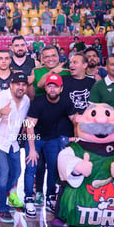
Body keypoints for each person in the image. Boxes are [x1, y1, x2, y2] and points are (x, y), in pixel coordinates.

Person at [24, 74, 75, 218]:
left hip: (53, 138)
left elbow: (75, 120)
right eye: (50, 86)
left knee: (53, 168)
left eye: (55, 86)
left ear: (61, 89)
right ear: (45, 88)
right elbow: (29, 126)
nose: (52, 89)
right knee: (31, 166)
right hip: (36, 137)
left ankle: (51, 197)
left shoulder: (65, 102)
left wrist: (78, 137)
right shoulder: (38, 102)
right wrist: (32, 149)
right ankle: (29, 199)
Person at [0, 72, 30, 222]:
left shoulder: (26, 101)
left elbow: (21, 120)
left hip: (11, 141)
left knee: (16, 171)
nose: (20, 87)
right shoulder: (1, 97)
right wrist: (0, 112)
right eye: (18, 84)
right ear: (11, 85)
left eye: (23, 85)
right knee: (3, 171)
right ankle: (2, 208)